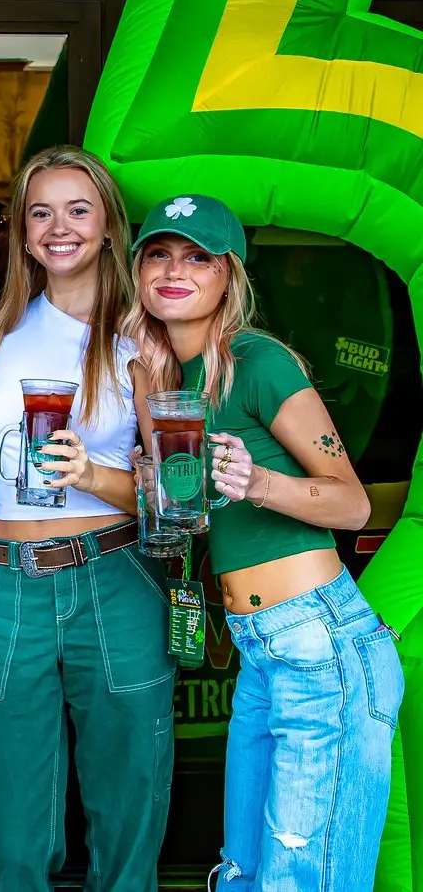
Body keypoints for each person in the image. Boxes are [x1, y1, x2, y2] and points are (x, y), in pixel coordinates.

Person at [125, 195, 398, 891]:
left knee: (300, 879)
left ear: (229, 275)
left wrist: (259, 482)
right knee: (244, 872)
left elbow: (352, 500)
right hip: (260, 650)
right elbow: (185, 519)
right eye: (159, 253)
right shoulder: (177, 382)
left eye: (197, 257)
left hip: (321, 645)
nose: (174, 269)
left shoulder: (257, 359)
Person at [0, 146, 172, 891]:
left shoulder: (142, 336)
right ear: (21, 233)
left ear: (110, 226)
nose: (60, 227)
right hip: (5, 589)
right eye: (41, 212)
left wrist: (93, 474)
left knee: (126, 815)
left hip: (109, 578)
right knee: (8, 829)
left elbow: (177, 498)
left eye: (79, 210)